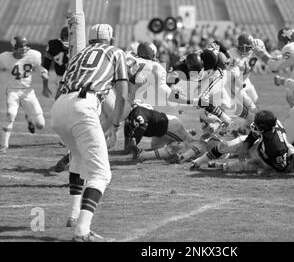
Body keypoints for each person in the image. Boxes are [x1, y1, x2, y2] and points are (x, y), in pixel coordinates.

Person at [51, 22, 131, 241]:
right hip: (84, 104)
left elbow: (59, 89)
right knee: (100, 174)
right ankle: (82, 230)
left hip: (59, 107)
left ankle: (74, 216)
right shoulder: (115, 52)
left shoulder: (79, 54)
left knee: (77, 158)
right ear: (111, 39)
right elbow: (123, 95)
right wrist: (114, 126)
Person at [189, 110, 294, 174]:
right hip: (261, 144)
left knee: (239, 167)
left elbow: (283, 168)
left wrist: (267, 170)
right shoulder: (270, 127)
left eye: (258, 125)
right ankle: (197, 162)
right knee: (225, 146)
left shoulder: (276, 147)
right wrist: (245, 146)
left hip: (266, 160)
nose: (254, 125)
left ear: (264, 128)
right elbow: (254, 134)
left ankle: (220, 165)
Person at [0, 36, 48, 153]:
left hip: (28, 91)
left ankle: (29, 118)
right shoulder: (4, 57)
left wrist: (45, 86)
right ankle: (4, 145)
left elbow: (41, 69)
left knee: (40, 125)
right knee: (10, 114)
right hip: (13, 90)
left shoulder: (34, 55)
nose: (24, 48)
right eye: (21, 46)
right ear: (14, 48)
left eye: (26, 45)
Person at [123, 102, 194, 157]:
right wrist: (127, 148)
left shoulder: (137, 114)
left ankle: (185, 134)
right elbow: (128, 133)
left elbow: (140, 129)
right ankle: (186, 133)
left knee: (191, 145)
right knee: (156, 149)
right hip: (158, 132)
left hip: (170, 126)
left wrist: (133, 146)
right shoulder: (130, 114)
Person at [42, 26, 69, 97]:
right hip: (60, 78)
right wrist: (45, 87)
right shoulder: (53, 45)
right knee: (60, 100)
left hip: (75, 78)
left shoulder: (78, 46)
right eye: (66, 38)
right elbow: (46, 66)